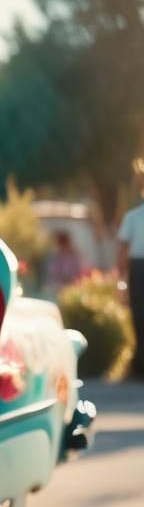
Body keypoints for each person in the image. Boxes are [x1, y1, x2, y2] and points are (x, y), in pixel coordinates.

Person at [117, 163, 144, 380]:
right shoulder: (133, 217)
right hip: (138, 268)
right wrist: (121, 280)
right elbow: (123, 250)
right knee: (139, 316)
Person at [41, 228, 87, 296]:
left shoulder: (74, 256)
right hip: (59, 285)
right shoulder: (56, 257)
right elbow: (52, 274)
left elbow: (80, 271)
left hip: (73, 285)